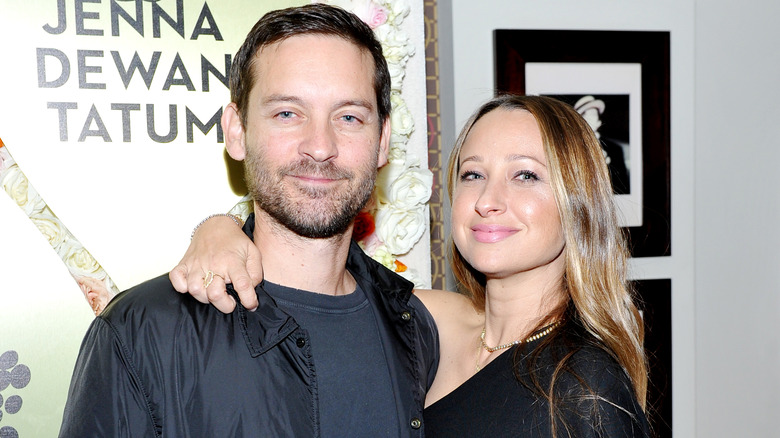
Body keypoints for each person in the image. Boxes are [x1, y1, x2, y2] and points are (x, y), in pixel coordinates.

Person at [59, 4, 438, 437]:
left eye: (349, 116)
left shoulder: (415, 327)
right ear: (236, 130)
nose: (319, 146)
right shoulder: (140, 332)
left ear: (383, 140)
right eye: (287, 114)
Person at [176, 95, 651, 436]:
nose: (488, 200)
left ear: (579, 203)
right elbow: (321, 268)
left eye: (525, 175)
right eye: (473, 174)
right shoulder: (431, 321)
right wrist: (220, 228)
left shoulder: (584, 389)